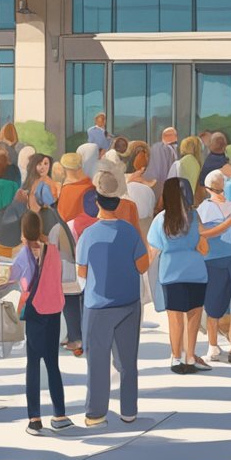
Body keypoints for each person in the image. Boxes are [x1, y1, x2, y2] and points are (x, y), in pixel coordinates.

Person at [77, 172, 150, 426]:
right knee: (128, 361)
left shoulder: (87, 235)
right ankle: (129, 410)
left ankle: (96, 414)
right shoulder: (129, 233)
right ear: (118, 202)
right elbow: (143, 266)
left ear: (97, 201)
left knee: (97, 360)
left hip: (98, 305)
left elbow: (82, 273)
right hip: (129, 303)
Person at [11, 210, 71, 434]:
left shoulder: (23, 255)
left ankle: (35, 418)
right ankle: (60, 414)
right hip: (53, 311)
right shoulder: (53, 252)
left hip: (35, 312)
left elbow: (11, 277)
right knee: (53, 363)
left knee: (33, 364)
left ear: (23, 232)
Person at [149, 177, 209, 373]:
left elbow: (153, 250)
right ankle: (190, 356)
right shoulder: (195, 217)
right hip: (196, 272)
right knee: (193, 316)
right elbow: (203, 247)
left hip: (171, 272)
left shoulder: (160, 220)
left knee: (174, 318)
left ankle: (176, 358)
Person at [198, 170, 231, 363]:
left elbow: (204, 234)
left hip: (212, 258)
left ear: (208, 188)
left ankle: (213, 346)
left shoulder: (203, 208)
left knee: (212, 302)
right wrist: (229, 222)